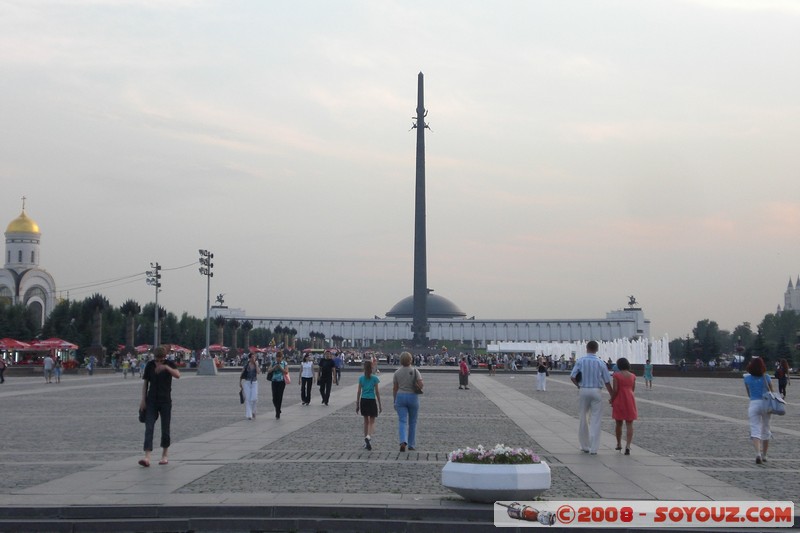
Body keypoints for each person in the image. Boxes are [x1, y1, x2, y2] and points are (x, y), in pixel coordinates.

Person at [139, 346, 180, 467]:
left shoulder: (169, 364)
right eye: (157, 359)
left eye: (161, 360)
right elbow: (145, 383)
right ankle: (147, 457)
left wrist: (166, 367)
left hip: (165, 401)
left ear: (165, 357)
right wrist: (143, 400)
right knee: (149, 427)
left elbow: (178, 375)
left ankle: (164, 455)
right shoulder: (150, 365)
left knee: (165, 428)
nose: (158, 362)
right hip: (151, 400)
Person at [570, 341, 613, 455]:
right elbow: (607, 381)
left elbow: (572, 376)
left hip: (583, 389)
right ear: (597, 349)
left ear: (586, 348)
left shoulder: (581, 361)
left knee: (583, 418)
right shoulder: (601, 362)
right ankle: (593, 448)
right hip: (596, 390)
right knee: (596, 419)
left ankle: (584, 446)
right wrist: (612, 395)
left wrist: (578, 385)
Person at [744, 357, 773, 464]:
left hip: (754, 403)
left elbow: (749, 394)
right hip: (765, 404)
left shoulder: (747, 378)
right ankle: (765, 455)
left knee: (755, 428)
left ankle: (758, 454)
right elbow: (772, 391)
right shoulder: (767, 377)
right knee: (766, 428)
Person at [393, 351, 422, 452]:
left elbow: (395, 388)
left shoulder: (397, 372)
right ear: (411, 359)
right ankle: (411, 444)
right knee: (413, 422)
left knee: (402, 421)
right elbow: (421, 384)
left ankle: (403, 441)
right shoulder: (415, 371)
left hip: (400, 396)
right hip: (413, 396)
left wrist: (395, 400)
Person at [609, 357, 638, 455]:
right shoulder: (633, 376)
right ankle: (628, 446)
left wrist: (612, 399)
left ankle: (619, 443)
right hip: (630, 399)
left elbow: (615, 390)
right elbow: (632, 389)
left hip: (619, 399)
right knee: (629, 424)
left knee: (619, 423)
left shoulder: (616, 375)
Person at [356, 359, 381, 450]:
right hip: (371, 400)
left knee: (366, 422)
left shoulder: (361, 378)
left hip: (363, 400)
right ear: (372, 368)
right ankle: (368, 437)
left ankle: (366, 442)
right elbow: (377, 392)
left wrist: (357, 404)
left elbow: (359, 391)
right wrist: (380, 404)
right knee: (372, 421)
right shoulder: (375, 378)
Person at [268, 351, 289, 419]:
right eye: (277, 357)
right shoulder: (273, 363)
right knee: (274, 397)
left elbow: (286, 372)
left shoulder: (284, 363)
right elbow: (269, 370)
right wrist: (274, 367)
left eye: (279, 357)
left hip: (281, 382)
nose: (278, 358)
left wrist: (280, 367)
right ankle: (278, 408)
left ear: (282, 357)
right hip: (274, 381)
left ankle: (277, 413)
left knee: (279, 397)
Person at [239, 353, 260, 420]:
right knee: (248, 399)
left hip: (254, 382)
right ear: (250, 358)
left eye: (254, 357)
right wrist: (240, 382)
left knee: (254, 398)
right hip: (247, 382)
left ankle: (254, 411)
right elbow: (242, 373)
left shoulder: (256, 364)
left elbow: (258, 372)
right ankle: (249, 415)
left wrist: (256, 365)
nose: (254, 358)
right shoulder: (246, 365)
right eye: (252, 357)